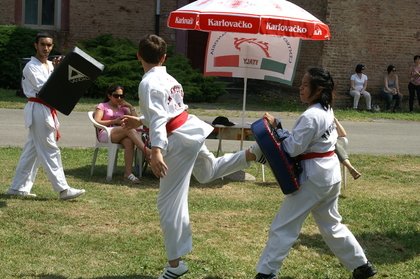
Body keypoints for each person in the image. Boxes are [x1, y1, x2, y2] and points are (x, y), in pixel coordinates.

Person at [121, 34, 255, 279]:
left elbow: (161, 117)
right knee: (206, 173)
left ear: (138, 55)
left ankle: (175, 265)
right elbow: (167, 110)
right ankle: (250, 153)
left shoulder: (147, 83)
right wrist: (140, 120)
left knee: (168, 203)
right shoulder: (170, 78)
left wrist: (156, 151)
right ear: (164, 57)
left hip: (178, 140)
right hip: (190, 131)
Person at [250, 67, 376, 279]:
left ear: (318, 90)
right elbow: (305, 141)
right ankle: (361, 265)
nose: (300, 88)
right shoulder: (327, 110)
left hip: (313, 177)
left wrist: (277, 128)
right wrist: (280, 127)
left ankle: (266, 273)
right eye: (301, 84)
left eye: (305, 85)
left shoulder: (310, 116)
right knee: (331, 224)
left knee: (284, 226)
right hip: (330, 174)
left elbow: (292, 148)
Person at [6, 32, 85, 200]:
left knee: (31, 151)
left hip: (47, 109)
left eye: (49, 45)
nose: (46, 48)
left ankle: (18, 187)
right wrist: (58, 71)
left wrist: (61, 70)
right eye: (43, 45)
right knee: (50, 149)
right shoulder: (31, 66)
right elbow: (45, 90)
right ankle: (63, 189)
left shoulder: (50, 64)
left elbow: (62, 87)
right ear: (36, 45)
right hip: (38, 108)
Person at [94, 85, 151, 183]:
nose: (119, 98)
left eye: (121, 96)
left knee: (129, 141)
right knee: (127, 128)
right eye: (116, 96)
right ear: (109, 95)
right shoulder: (102, 106)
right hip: (106, 133)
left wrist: (130, 107)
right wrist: (113, 121)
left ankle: (128, 173)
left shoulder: (123, 108)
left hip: (122, 132)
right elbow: (97, 122)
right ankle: (147, 152)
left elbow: (136, 122)